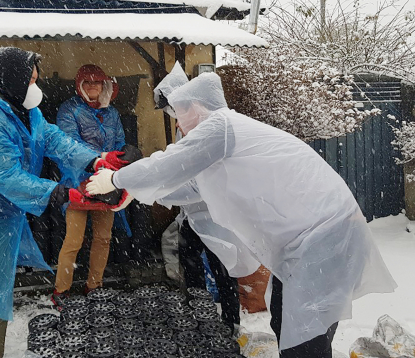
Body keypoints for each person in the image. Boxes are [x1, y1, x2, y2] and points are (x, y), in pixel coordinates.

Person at [88, 71, 397, 357]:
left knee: (304, 341)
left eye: (179, 113)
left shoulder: (219, 127)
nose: (179, 124)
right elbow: (190, 187)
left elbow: (170, 163)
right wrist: (134, 193)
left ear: (196, 106)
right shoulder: (226, 136)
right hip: (311, 242)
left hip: (325, 237)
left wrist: (116, 179)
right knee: (286, 323)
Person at [0, 47, 107, 358]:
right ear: (13, 80)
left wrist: (93, 160)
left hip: (5, 206)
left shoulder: (22, 106)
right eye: (31, 80)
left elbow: (51, 138)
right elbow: (6, 176)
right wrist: (58, 192)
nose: (36, 86)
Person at [153, 63, 250, 329]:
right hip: (193, 213)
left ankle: (230, 323)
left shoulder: (207, 123)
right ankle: (199, 312)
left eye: (172, 107)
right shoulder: (183, 124)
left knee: (222, 265)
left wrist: (160, 192)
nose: (171, 114)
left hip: (215, 211)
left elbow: (200, 178)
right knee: (190, 258)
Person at [51, 64, 129, 306]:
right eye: (88, 82)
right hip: (77, 181)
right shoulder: (69, 110)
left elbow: (120, 142)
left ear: (105, 86)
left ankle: (94, 285)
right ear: (79, 86)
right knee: (74, 239)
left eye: (98, 82)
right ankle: (61, 291)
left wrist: (113, 165)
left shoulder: (112, 113)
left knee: (103, 238)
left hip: (106, 182)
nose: (93, 86)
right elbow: (69, 144)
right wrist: (100, 160)